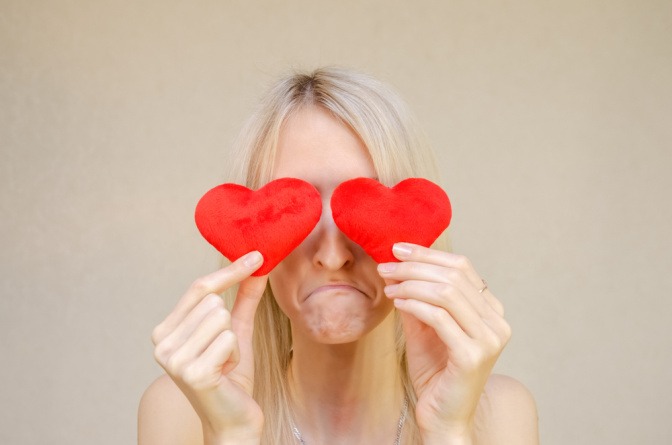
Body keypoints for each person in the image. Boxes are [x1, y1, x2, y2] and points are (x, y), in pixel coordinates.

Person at [138, 67, 539, 445]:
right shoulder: (179, 411)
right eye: (296, 208)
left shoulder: (500, 413)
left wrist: (448, 430)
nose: (332, 257)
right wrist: (231, 434)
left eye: (363, 202)